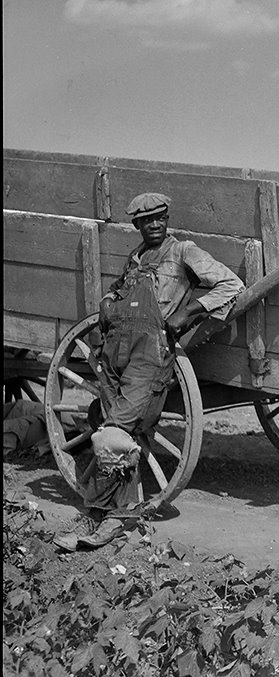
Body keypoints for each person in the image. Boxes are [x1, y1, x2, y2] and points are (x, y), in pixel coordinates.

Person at [54, 193, 245, 552]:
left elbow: (230, 285)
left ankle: (107, 518)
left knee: (114, 435)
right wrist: (109, 302)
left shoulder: (184, 252)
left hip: (151, 355)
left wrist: (189, 313)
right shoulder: (136, 257)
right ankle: (106, 513)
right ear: (137, 225)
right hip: (115, 352)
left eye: (160, 218)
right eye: (147, 221)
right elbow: (118, 291)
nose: (155, 225)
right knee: (119, 429)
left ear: (167, 218)